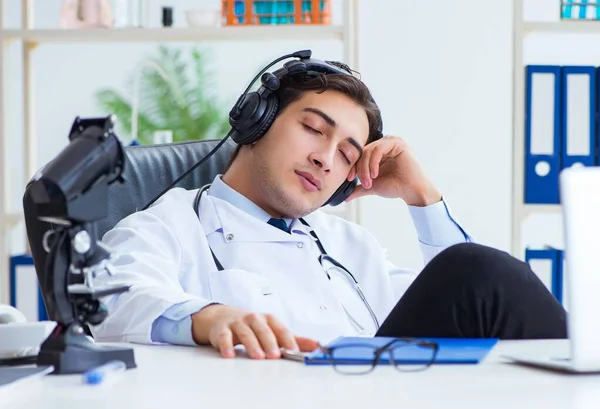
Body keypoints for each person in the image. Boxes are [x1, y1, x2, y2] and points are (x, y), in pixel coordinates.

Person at [91, 52, 567, 360]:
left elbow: (470, 305)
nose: (324, 157)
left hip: (371, 389)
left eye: (347, 154)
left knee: (478, 273)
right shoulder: (172, 222)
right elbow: (111, 297)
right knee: (476, 269)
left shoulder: (348, 244)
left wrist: (423, 200)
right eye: (314, 130)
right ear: (257, 121)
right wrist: (206, 317)